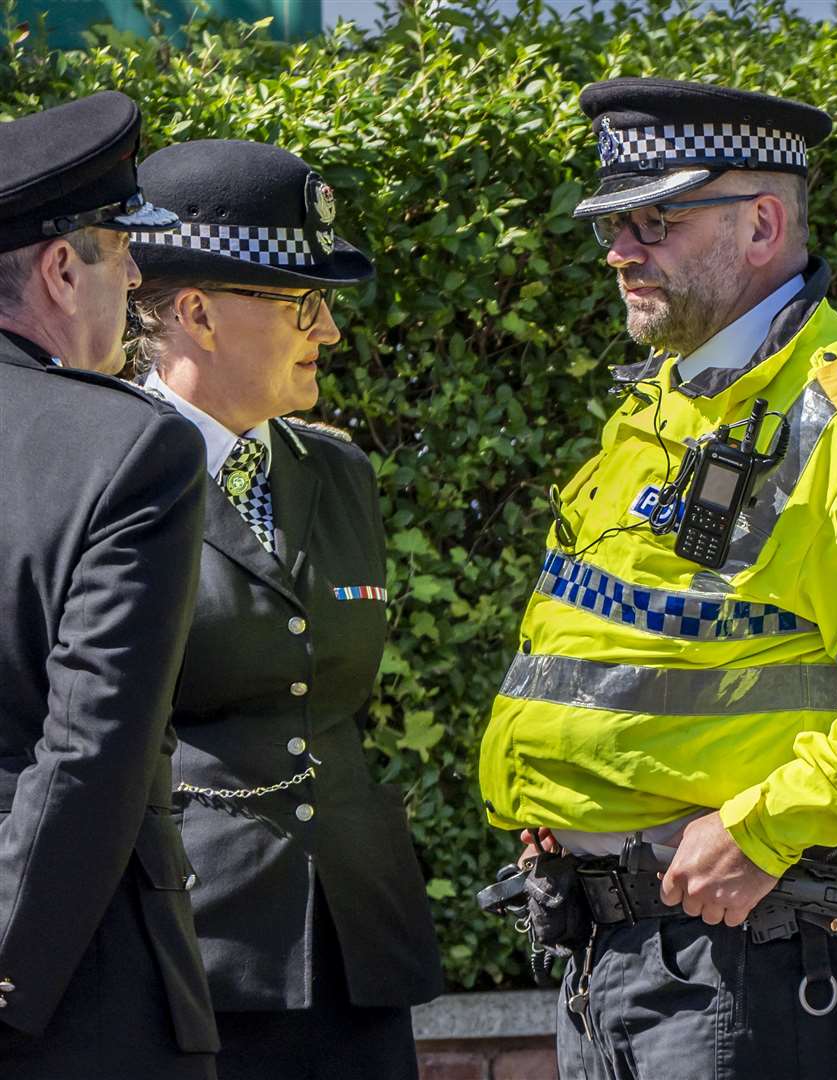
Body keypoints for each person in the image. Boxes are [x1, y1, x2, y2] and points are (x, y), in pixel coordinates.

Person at [479, 77, 837, 1079]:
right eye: (612, 221)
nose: (617, 249)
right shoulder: (666, 403)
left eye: (654, 220)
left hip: (748, 951)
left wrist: (767, 828)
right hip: (611, 946)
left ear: (764, 223)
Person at [123, 140, 444, 1080]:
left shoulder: (338, 471)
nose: (331, 330)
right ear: (196, 314)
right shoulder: (110, 467)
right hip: (191, 941)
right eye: (304, 304)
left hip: (355, 942)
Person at [0, 91, 219, 1078]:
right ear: (58, 270)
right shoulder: (128, 447)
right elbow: (91, 754)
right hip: (70, 1003)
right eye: (119, 252)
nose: (135, 279)